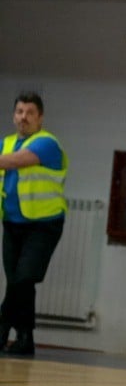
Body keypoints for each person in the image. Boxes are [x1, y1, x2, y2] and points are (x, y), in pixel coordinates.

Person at [0, 92, 68, 357]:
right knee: (17, 282)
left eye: (29, 112)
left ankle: (3, 327)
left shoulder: (46, 143)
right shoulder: (5, 143)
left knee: (24, 277)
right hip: (13, 223)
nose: (23, 117)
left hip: (43, 224)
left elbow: (18, 162)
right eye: (19, 112)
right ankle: (25, 337)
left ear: (40, 117)